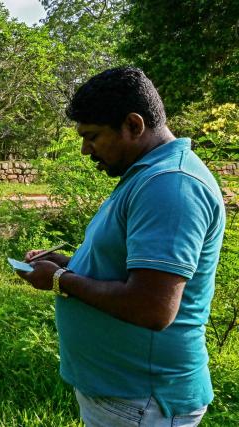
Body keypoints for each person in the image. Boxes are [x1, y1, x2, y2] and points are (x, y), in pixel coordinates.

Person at [17, 67, 225, 427]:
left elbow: (152, 308)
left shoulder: (170, 185)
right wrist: (65, 263)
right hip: (128, 398)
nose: (85, 150)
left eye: (93, 136)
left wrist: (59, 280)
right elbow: (128, 271)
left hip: (143, 401)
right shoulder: (146, 176)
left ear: (133, 125)